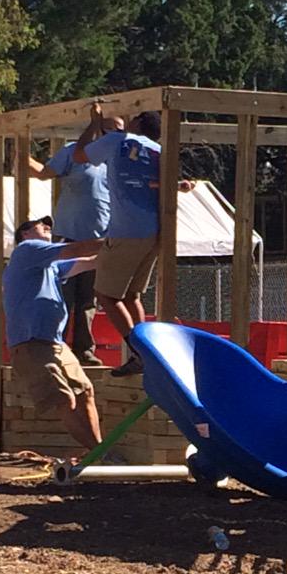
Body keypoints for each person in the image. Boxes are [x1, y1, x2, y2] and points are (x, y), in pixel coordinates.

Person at [74, 103, 194, 378]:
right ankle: (153, 352)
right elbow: (157, 184)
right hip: (153, 232)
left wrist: (94, 125)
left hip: (125, 230)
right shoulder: (159, 151)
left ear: (138, 123)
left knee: (106, 294)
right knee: (131, 296)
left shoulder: (118, 141)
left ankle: (140, 352)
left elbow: (80, 155)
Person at [26, 115, 125, 366]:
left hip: (100, 240)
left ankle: (84, 350)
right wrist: (18, 153)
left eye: (121, 131)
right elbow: (44, 173)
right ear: (99, 131)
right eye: (112, 130)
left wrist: (176, 186)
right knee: (62, 296)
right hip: (68, 237)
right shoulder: (74, 153)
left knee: (88, 300)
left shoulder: (119, 160)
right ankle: (55, 347)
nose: (117, 136)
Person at [3, 217, 104, 454]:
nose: (48, 226)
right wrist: (117, 241)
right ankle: (100, 454)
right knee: (64, 400)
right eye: (40, 225)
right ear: (25, 234)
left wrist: (128, 251)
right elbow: (78, 248)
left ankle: (100, 453)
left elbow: (90, 261)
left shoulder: (50, 267)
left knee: (85, 391)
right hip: (32, 344)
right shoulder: (27, 250)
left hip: (55, 344)